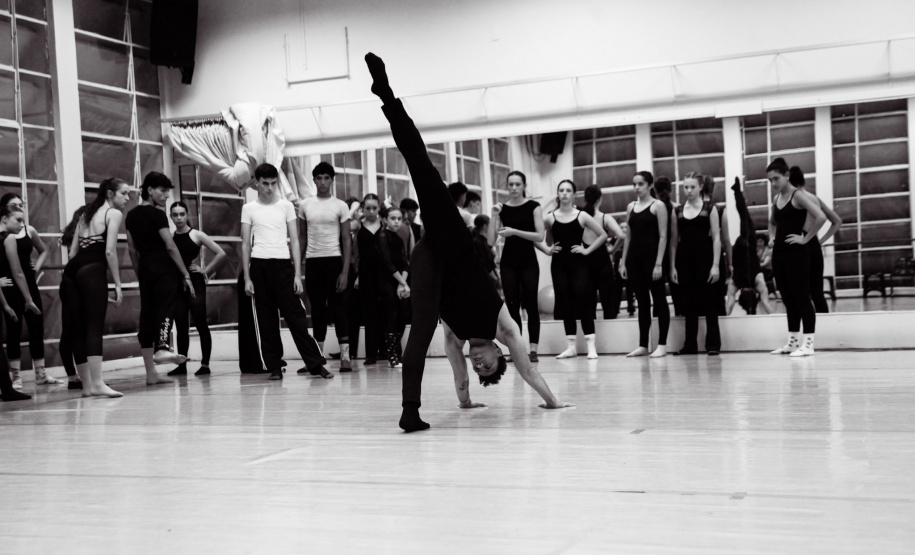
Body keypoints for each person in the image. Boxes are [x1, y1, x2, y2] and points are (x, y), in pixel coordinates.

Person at [366, 52, 572, 432]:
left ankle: (410, 410)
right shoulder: (505, 327)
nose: (479, 363)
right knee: (420, 164)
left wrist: (465, 400)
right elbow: (526, 368)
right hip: (453, 241)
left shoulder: (456, 339)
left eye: (480, 368)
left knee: (422, 329)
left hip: (429, 256)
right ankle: (386, 94)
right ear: (498, 352)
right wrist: (553, 401)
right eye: (488, 364)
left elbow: (459, 375)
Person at [241, 163, 332, 380]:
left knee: (296, 318)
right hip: (259, 266)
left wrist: (297, 274)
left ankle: (316, 364)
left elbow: (296, 243)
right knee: (266, 319)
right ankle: (274, 366)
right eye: (265, 184)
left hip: (283, 266)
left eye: (273, 183)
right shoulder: (249, 208)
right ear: (256, 183)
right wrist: (247, 277)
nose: (270, 188)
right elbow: (245, 244)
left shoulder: (286, 206)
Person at [61, 178, 131, 397]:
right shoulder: (113, 214)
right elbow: (109, 251)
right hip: (91, 271)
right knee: (93, 327)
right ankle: (98, 383)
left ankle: (87, 386)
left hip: (72, 271)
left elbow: (72, 253)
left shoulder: (85, 215)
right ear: (110, 194)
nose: (127, 199)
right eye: (124, 194)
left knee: (77, 329)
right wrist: (118, 284)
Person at [126, 172, 194, 386]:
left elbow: (131, 250)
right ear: (150, 190)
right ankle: (162, 347)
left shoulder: (131, 216)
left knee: (147, 316)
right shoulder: (157, 215)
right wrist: (185, 274)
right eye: (163, 191)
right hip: (164, 268)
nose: (166, 196)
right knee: (166, 308)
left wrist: (140, 274)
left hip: (145, 269)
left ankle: (150, 374)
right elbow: (170, 245)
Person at [539, 180, 608, 359]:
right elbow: (535, 236)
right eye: (561, 190)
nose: (564, 193)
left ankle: (591, 346)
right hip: (559, 265)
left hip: (579, 264)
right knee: (565, 302)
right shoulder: (549, 217)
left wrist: (587, 250)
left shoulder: (582, 216)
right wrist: (547, 249)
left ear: (574, 194)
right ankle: (571, 346)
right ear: (558, 193)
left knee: (583, 300)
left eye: (568, 190)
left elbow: (603, 235)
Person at [766, 158, 826, 357]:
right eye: (770, 180)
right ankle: (792, 342)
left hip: (797, 254)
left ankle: (808, 343)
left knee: (802, 297)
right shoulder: (777, 199)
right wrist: (773, 238)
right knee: (788, 299)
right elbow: (772, 222)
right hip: (780, 254)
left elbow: (821, 216)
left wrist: (805, 238)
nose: (773, 184)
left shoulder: (798, 195)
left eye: (776, 179)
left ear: (786, 176)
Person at [0, 193, 60, 388]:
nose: (19, 207)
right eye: (14, 205)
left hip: (29, 283)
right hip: (9, 285)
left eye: (21, 204)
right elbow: (13, 270)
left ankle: (41, 373)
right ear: (5, 213)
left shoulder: (28, 229)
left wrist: (37, 266)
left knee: (36, 327)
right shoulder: (5, 236)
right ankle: (15, 377)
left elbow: (44, 250)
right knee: (14, 329)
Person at [299, 161, 353, 371]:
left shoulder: (340, 205)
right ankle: (317, 358)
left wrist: (345, 272)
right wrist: (297, 269)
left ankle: (345, 357)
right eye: (319, 178)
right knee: (318, 311)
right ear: (314, 180)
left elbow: (347, 240)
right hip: (313, 262)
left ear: (332, 180)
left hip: (334, 261)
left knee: (339, 309)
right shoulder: (305, 205)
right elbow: (302, 238)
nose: (322, 182)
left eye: (326, 178)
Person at [489, 170, 544, 362]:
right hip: (508, 262)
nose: (513, 188)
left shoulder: (533, 207)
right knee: (512, 307)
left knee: (531, 305)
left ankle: (534, 350)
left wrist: (514, 231)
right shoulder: (501, 208)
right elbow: (490, 240)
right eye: (510, 184)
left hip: (528, 261)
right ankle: (518, 349)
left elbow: (540, 236)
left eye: (517, 184)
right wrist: (494, 215)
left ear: (524, 186)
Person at [168, 201, 226, 376]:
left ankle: (205, 364)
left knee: (200, 322)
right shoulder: (170, 237)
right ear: (171, 217)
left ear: (187, 215)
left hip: (195, 281)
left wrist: (205, 270)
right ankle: (182, 364)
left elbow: (221, 253)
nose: (178, 218)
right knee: (181, 324)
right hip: (178, 283)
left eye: (181, 214)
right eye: (175, 215)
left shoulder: (197, 235)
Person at [669, 173, 721, 355]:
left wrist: (716, 265)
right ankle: (690, 344)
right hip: (684, 260)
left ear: (700, 187)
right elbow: (674, 241)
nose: (689, 191)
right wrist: (672, 266)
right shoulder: (678, 211)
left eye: (692, 187)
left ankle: (713, 345)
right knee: (688, 303)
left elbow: (716, 238)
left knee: (709, 302)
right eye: (685, 187)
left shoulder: (710, 208)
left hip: (705, 258)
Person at [620, 171, 670, 358]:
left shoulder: (658, 206)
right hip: (634, 260)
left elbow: (663, 235)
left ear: (650, 186)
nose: (636, 187)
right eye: (634, 184)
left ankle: (662, 345)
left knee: (659, 300)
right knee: (642, 302)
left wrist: (658, 263)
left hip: (652, 259)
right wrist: (623, 262)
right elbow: (628, 236)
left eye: (640, 184)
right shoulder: (630, 206)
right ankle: (643, 345)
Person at [789, 166, 842, 313]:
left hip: (800, 246)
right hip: (813, 247)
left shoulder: (795, 199)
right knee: (817, 293)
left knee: (800, 293)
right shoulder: (815, 198)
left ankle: (805, 329)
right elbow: (837, 221)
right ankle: (824, 328)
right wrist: (819, 241)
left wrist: (805, 238)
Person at [727, 177, 774, 315]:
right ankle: (736, 192)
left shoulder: (757, 281)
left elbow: (729, 304)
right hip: (738, 247)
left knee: (744, 215)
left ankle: (736, 192)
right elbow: (730, 302)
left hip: (746, 244)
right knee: (744, 216)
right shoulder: (736, 283)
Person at [582, 185, 625, 321]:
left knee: (588, 304)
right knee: (608, 304)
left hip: (585, 261)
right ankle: (610, 337)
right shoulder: (604, 217)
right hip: (602, 261)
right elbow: (621, 235)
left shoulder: (580, 217)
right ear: (600, 199)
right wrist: (613, 249)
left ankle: (591, 338)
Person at [375, 206, 410, 368]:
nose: (396, 222)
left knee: (402, 318)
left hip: (400, 282)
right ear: (385, 220)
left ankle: (397, 352)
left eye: (399, 219)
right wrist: (402, 283)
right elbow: (387, 263)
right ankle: (392, 356)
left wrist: (403, 283)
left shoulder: (399, 237)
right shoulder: (382, 235)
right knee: (392, 317)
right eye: (393, 218)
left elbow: (405, 262)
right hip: (386, 281)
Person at [353, 194, 384, 365]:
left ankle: (386, 351)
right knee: (369, 312)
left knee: (385, 311)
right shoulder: (358, 226)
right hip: (365, 273)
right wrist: (357, 274)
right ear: (363, 208)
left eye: (374, 208)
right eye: (368, 208)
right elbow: (355, 253)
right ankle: (370, 353)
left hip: (384, 273)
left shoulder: (385, 225)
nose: (371, 211)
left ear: (379, 208)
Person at [58, 207, 86, 389]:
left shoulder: (70, 234)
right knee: (78, 332)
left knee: (68, 331)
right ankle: (83, 378)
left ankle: (73, 377)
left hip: (68, 283)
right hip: (77, 283)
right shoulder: (83, 235)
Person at [651, 177, 683, 317]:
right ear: (671, 189)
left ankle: (658, 327)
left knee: (658, 295)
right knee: (678, 292)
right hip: (676, 252)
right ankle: (680, 320)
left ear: (655, 191)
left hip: (658, 252)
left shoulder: (654, 208)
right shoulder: (678, 208)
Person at [472, 215, 499, 288]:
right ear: (484, 226)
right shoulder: (479, 242)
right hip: (485, 277)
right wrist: (495, 278)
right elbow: (485, 262)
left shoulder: (483, 240)